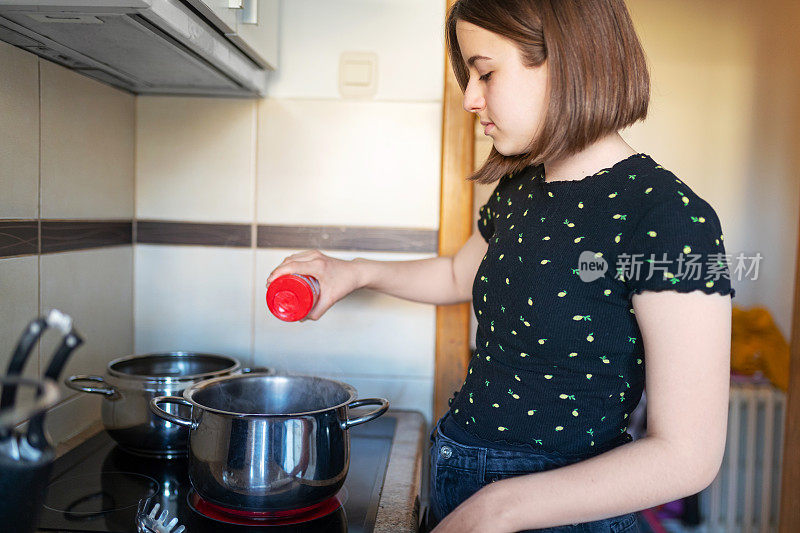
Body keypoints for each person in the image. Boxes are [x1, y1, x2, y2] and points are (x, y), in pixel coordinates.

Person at [265, 0, 735, 531]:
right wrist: (354, 270)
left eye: (485, 72)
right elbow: (455, 276)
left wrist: (497, 508)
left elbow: (688, 455)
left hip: (556, 517)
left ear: (568, 57)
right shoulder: (519, 190)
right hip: (462, 484)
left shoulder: (671, 216)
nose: (469, 98)